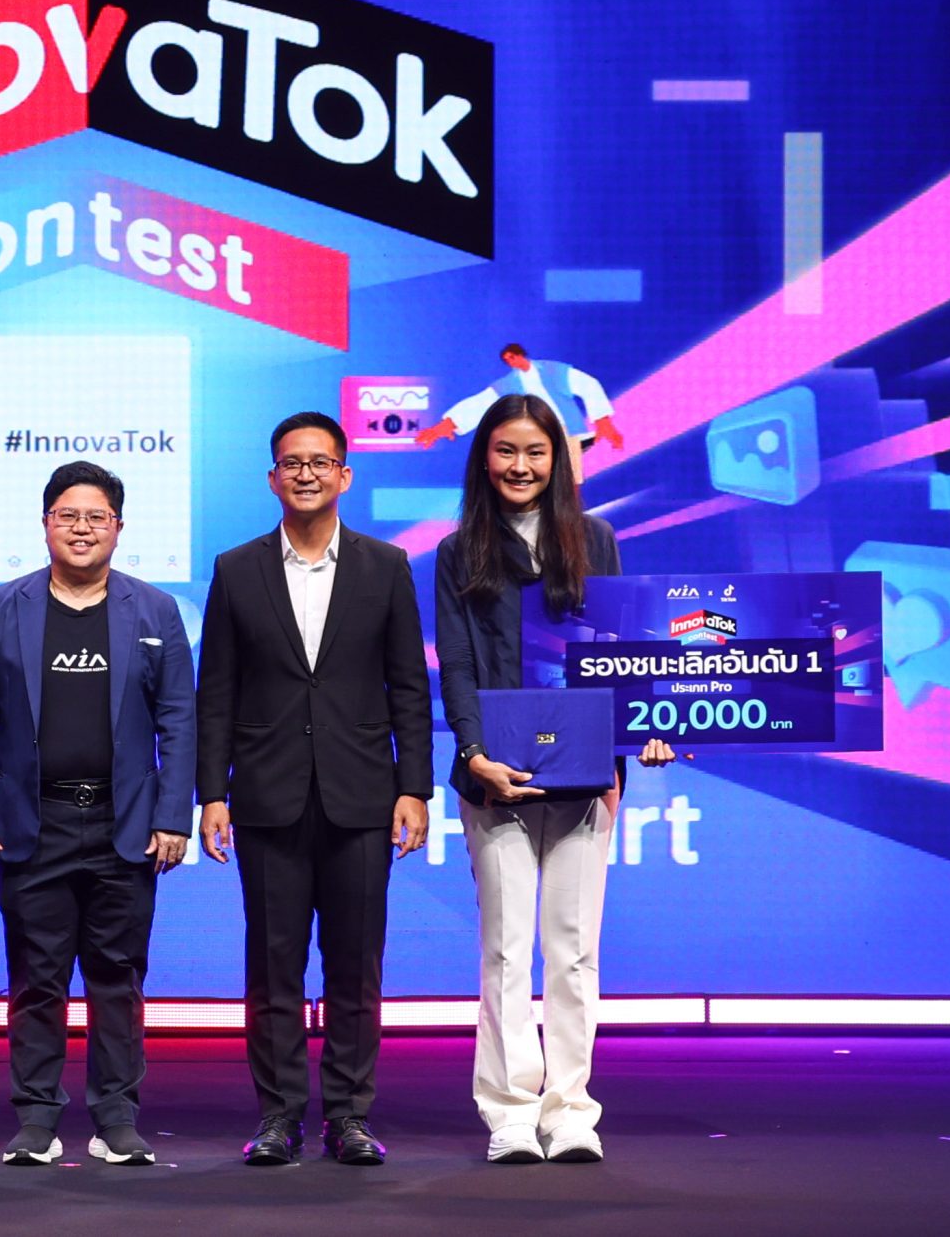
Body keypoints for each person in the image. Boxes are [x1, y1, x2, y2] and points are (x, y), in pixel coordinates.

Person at [435, 393, 672, 1166]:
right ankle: (509, 1110)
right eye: (506, 450)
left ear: (558, 460)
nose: (521, 465)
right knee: (506, 950)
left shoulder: (594, 539)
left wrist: (645, 729)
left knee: (572, 951)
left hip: (584, 780)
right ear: (484, 458)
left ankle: (569, 1108)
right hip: (492, 778)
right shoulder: (459, 549)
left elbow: (620, 652)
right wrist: (475, 752)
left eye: (535, 451)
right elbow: (457, 664)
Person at [197, 411, 432, 1167]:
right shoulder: (236, 568)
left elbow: (408, 687)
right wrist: (212, 793)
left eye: (320, 462)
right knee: (273, 968)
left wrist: (415, 787)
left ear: (344, 475)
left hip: (362, 797)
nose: (306, 473)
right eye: (292, 463)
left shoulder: (385, 566)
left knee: (356, 967)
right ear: (273, 477)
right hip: (266, 798)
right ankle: (278, 1116)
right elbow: (216, 693)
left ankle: (350, 1116)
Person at [0, 461, 195, 1169]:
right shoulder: (0, 607)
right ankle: (36, 1119)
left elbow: (179, 718)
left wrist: (173, 814)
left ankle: (116, 1119)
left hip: (125, 824)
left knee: (118, 980)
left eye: (97, 517)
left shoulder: (155, 610)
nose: (82, 528)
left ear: (119, 527)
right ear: (45, 524)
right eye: (68, 515)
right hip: (33, 823)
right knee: (36, 981)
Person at [416, 344, 622, 479]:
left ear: (520, 355)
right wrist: (446, 425)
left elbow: (587, 384)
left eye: (512, 357)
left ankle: (569, 529)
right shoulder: (510, 383)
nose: (511, 362)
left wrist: (603, 421)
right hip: (536, 437)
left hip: (567, 432)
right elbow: (482, 403)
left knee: (569, 483)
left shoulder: (552, 370)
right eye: (507, 360)